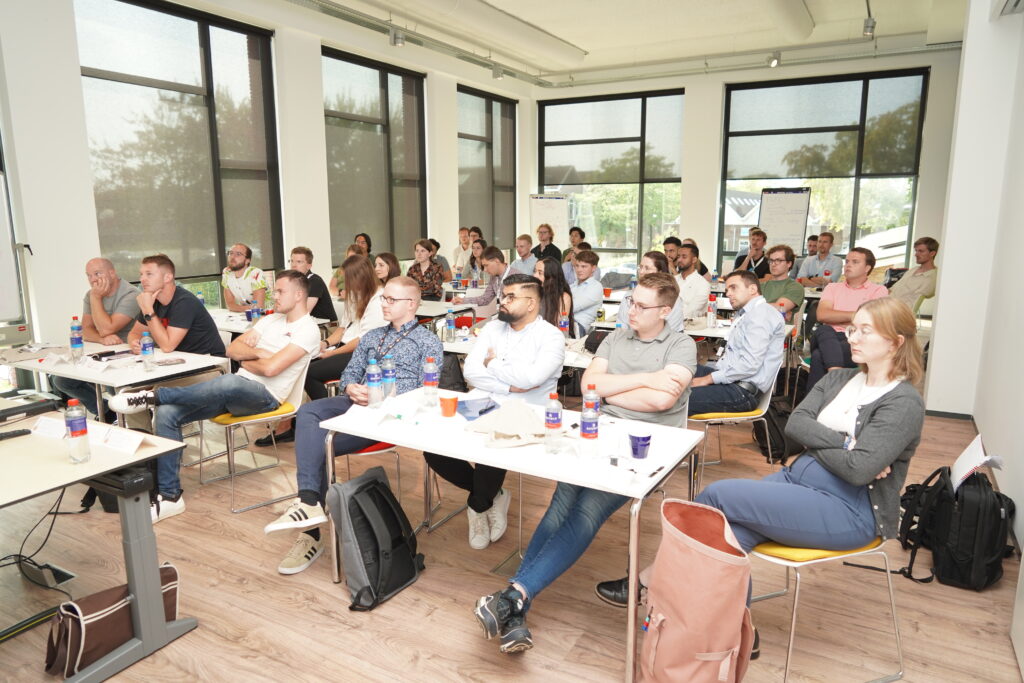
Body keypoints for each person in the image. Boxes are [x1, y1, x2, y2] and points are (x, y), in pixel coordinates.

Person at [597, 298, 925, 638]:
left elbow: (858, 471)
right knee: (727, 535)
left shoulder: (902, 402)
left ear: (896, 341)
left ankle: (650, 583)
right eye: (853, 328)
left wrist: (829, 446)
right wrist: (846, 443)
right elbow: (796, 426)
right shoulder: (839, 379)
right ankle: (738, 632)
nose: (852, 338)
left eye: (865, 331)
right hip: (795, 482)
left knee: (716, 495)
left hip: (850, 509)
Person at [474, 272, 696, 654]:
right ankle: (515, 600)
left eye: (642, 306)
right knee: (560, 505)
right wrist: (649, 380)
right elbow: (589, 387)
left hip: (649, 445)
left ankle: (515, 595)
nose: (631, 310)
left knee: (586, 512)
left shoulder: (682, 344)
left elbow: (662, 402)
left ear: (666, 310)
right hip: (598, 430)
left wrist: (620, 387)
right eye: (631, 302)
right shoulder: (615, 336)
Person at [262, 277, 442, 574]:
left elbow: (428, 389)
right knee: (308, 413)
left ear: (411, 304)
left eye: (390, 300)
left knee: (316, 447)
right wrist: (350, 389)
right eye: (383, 299)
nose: (383, 304)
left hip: (395, 416)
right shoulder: (372, 337)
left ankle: (311, 534)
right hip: (358, 404)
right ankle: (309, 503)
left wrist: (381, 391)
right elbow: (349, 374)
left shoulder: (427, 341)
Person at [110, 270, 321, 522]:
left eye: (280, 291)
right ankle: (170, 496)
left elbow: (271, 369)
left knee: (229, 380)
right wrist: (261, 354)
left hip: (266, 397)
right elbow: (231, 349)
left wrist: (252, 356)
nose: (273, 296)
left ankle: (154, 396)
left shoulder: (308, 329)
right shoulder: (269, 321)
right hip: (234, 388)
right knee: (167, 414)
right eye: (274, 291)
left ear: (298, 295)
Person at [427, 274, 565, 551]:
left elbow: (532, 378)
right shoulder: (492, 329)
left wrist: (495, 364)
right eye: (503, 295)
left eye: (511, 297)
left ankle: (478, 506)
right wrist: (510, 382)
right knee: (433, 448)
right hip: (483, 400)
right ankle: (494, 496)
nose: (503, 301)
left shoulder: (551, 336)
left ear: (531, 303)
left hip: (527, 410)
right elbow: (473, 373)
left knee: (492, 450)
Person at [51, 258, 141, 420]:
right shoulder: (91, 294)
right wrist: (101, 339)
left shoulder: (131, 294)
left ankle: (134, 417)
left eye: (97, 274)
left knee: (115, 387)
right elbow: (85, 330)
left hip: (128, 353)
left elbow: (108, 327)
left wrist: (96, 298)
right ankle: (107, 413)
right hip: (103, 351)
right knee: (62, 381)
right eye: (89, 275)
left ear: (112, 273)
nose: (93, 279)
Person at [687, 270, 785, 415]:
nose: (728, 294)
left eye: (733, 288)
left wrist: (707, 379)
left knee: (672, 398)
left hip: (741, 391)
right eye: (727, 290)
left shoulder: (761, 314)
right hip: (731, 379)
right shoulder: (748, 314)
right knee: (680, 369)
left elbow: (749, 365)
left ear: (752, 289)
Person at [807, 248, 889, 389]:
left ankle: (813, 406)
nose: (848, 265)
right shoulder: (832, 287)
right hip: (827, 335)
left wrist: (837, 316)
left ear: (867, 268)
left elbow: (872, 320)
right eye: (847, 261)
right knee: (825, 329)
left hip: (856, 339)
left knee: (818, 356)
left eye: (855, 262)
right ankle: (835, 375)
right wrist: (856, 315)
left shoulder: (878, 290)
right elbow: (822, 315)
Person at [626, 252, 685, 331]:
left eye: (647, 268)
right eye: (641, 267)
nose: (641, 272)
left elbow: (671, 332)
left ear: (660, 272)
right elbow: (621, 327)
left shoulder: (672, 299)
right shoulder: (629, 295)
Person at [289, 246, 338, 323]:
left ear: (309, 266)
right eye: (291, 261)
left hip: (326, 327)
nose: (293, 265)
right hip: (308, 324)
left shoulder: (315, 281)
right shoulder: (294, 282)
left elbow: (304, 312)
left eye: (299, 262)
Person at [889, 237, 938, 311]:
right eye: (916, 251)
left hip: (896, 313)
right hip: (886, 304)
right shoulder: (913, 270)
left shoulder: (931, 278)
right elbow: (892, 290)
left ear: (932, 253)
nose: (916, 254)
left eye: (921, 251)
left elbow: (910, 306)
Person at [762, 244, 805, 321]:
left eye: (778, 260)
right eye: (771, 260)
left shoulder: (795, 287)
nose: (773, 264)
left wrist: (753, 307)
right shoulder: (760, 286)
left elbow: (779, 309)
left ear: (789, 263)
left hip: (780, 330)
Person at [532, 257, 574, 333]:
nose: (535, 275)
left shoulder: (563, 297)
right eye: (535, 271)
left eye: (540, 273)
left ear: (551, 277)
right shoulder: (534, 293)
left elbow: (561, 327)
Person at [221, 243, 267, 312]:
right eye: (231, 253)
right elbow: (230, 305)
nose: (232, 257)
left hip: (266, 314)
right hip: (244, 314)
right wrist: (246, 308)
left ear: (247, 260)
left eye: (238, 254)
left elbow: (258, 307)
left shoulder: (256, 273)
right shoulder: (226, 273)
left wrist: (238, 308)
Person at [675, 243, 711, 322]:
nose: (679, 260)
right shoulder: (673, 280)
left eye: (684, 257)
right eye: (678, 256)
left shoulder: (703, 284)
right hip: (669, 324)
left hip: (691, 328)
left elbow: (690, 312)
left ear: (694, 260)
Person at [569, 250, 602, 335]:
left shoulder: (596, 287)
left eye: (584, 267)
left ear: (594, 268)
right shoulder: (572, 285)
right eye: (577, 266)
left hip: (579, 327)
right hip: (565, 322)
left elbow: (571, 307)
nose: (579, 270)